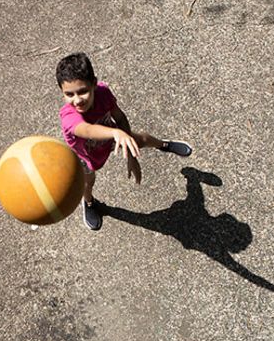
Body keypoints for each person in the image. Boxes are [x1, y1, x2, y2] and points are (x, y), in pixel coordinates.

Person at [56, 52, 193, 230]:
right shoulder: (68, 117)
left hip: (113, 138)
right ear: (62, 93)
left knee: (142, 138)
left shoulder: (103, 93)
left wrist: (131, 155)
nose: (77, 99)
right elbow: (87, 130)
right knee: (87, 183)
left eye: (83, 91)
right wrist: (116, 134)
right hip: (86, 156)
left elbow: (119, 118)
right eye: (69, 94)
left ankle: (163, 145)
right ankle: (89, 203)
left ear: (94, 84)